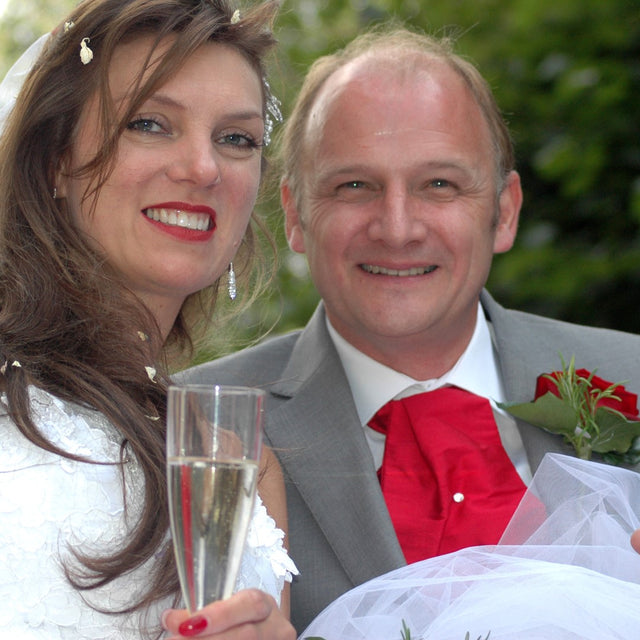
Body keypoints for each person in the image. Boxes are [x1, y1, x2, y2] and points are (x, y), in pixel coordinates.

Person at [180, 25, 640, 634]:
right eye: (354, 186)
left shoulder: (631, 375)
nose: (397, 229)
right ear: (295, 214)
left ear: (504, 212)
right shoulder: (186, 424)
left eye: (439, 185)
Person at [0, 0, 297, 638]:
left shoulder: (239, 461)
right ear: (54, 160)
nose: (203, 168)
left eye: (236, 138)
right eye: (150, 124)